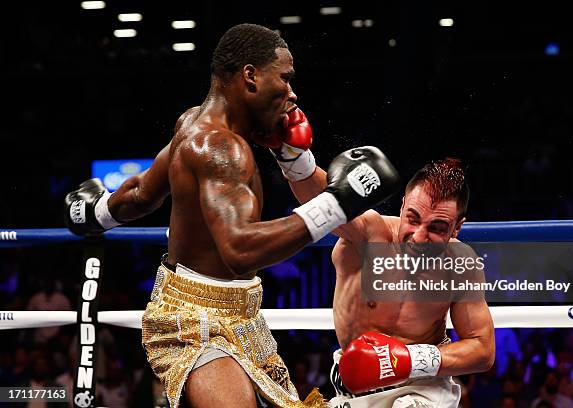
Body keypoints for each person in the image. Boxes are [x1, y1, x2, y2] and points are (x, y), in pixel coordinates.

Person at [63, 23, 401, 408]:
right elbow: (239, 249)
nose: (293, 92)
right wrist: (338, 202)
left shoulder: (192, 122)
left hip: (242, 317)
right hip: (193, 322)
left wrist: (95, 211)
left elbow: (142, 194)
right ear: (251, 76)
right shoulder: (221, 149)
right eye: (285, 78)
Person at [282, 150, 495, 407]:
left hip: (422, 388)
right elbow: (320, 199)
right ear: (403, 205)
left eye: (437, 228)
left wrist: (407, 360)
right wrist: (293, 156)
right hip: (353, 387)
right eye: (413, 219)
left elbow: (482, 350)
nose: (418, 237)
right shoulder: (370, 235)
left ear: (457, 227)